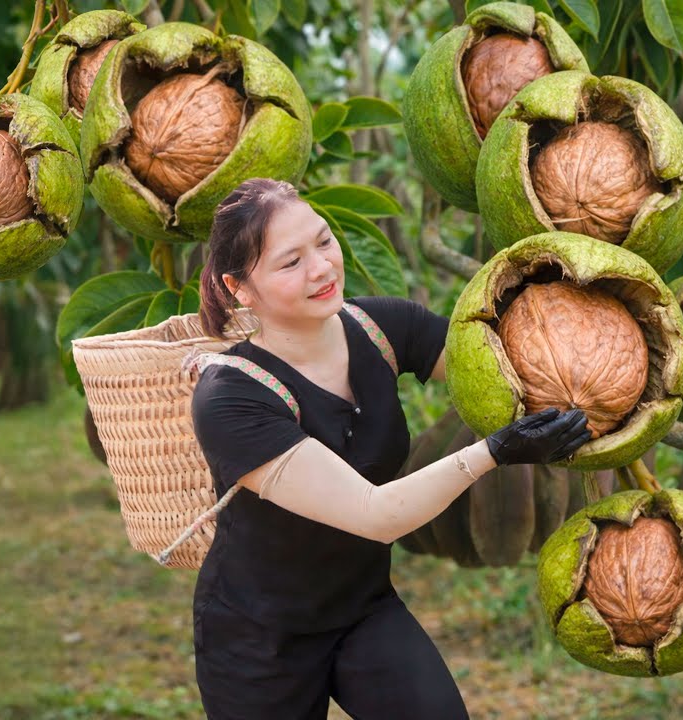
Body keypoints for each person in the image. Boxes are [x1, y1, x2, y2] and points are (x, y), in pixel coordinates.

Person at [189, 178, 590, 719]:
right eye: (290, 263)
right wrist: (493, 452)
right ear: (240, 287)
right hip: (259, 635)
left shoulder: (380, 325)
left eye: (324, 241)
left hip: (362, 608)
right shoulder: (230, 398)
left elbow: (498, 366)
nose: (322, 268)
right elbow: (374, 514)